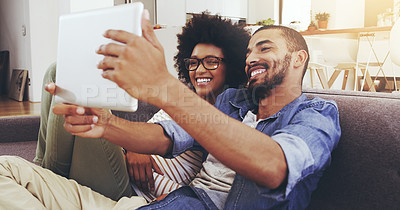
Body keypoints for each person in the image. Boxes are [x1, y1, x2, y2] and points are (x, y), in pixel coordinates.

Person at [0, 9, 341, 210]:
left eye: (264, 48)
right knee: (6, 169)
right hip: (144, 205)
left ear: (299, 58)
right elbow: (164, 137)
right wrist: (105, 123)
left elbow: (274, 166)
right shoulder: (231, 103)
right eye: (249, 51)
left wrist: (164, 87)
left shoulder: (316, 115)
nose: (251, 57)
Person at [33, 13, 250, 202]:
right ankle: (42, 169)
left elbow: (203, 188)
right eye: (193, 63)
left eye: (211, 61)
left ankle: (46, 179)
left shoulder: (226, 117)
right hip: (118, 159)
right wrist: (135, 149)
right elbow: (146, 133)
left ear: (230, 65)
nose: (199, 70)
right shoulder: (180, 99)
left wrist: (165, 193)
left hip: (132, 189)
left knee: (70, 78)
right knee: (55, 70)